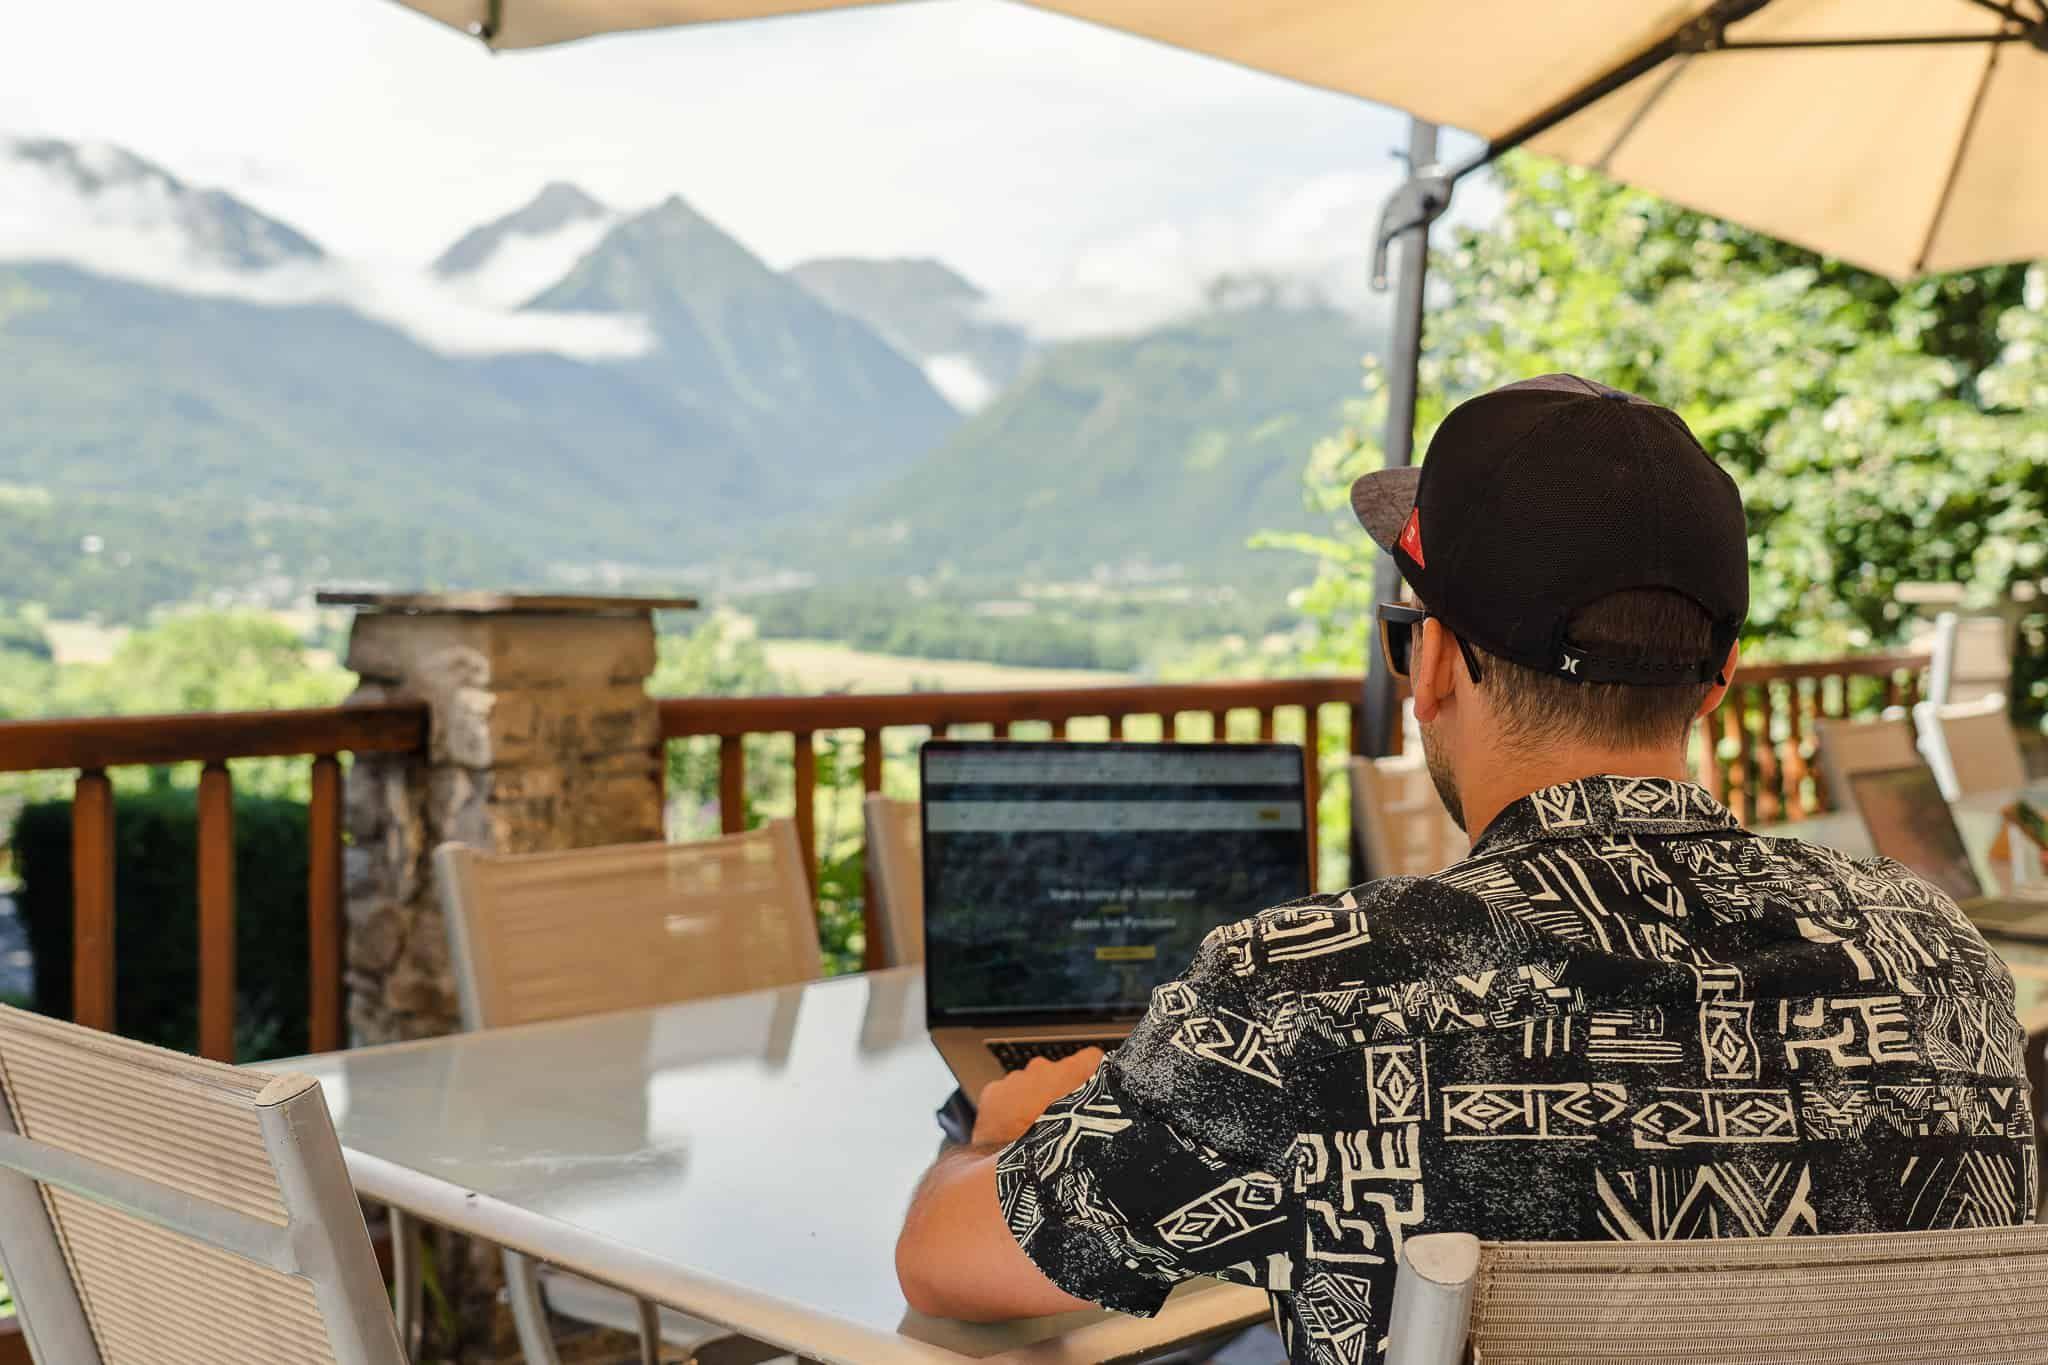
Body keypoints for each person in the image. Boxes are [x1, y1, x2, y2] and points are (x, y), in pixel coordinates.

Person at [894, 374, 2035, 1365]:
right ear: (1718, 676)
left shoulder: (1317, 994)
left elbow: (946, 1267)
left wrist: (1000, 1131)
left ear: (1429, 659)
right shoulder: (1936, 958)